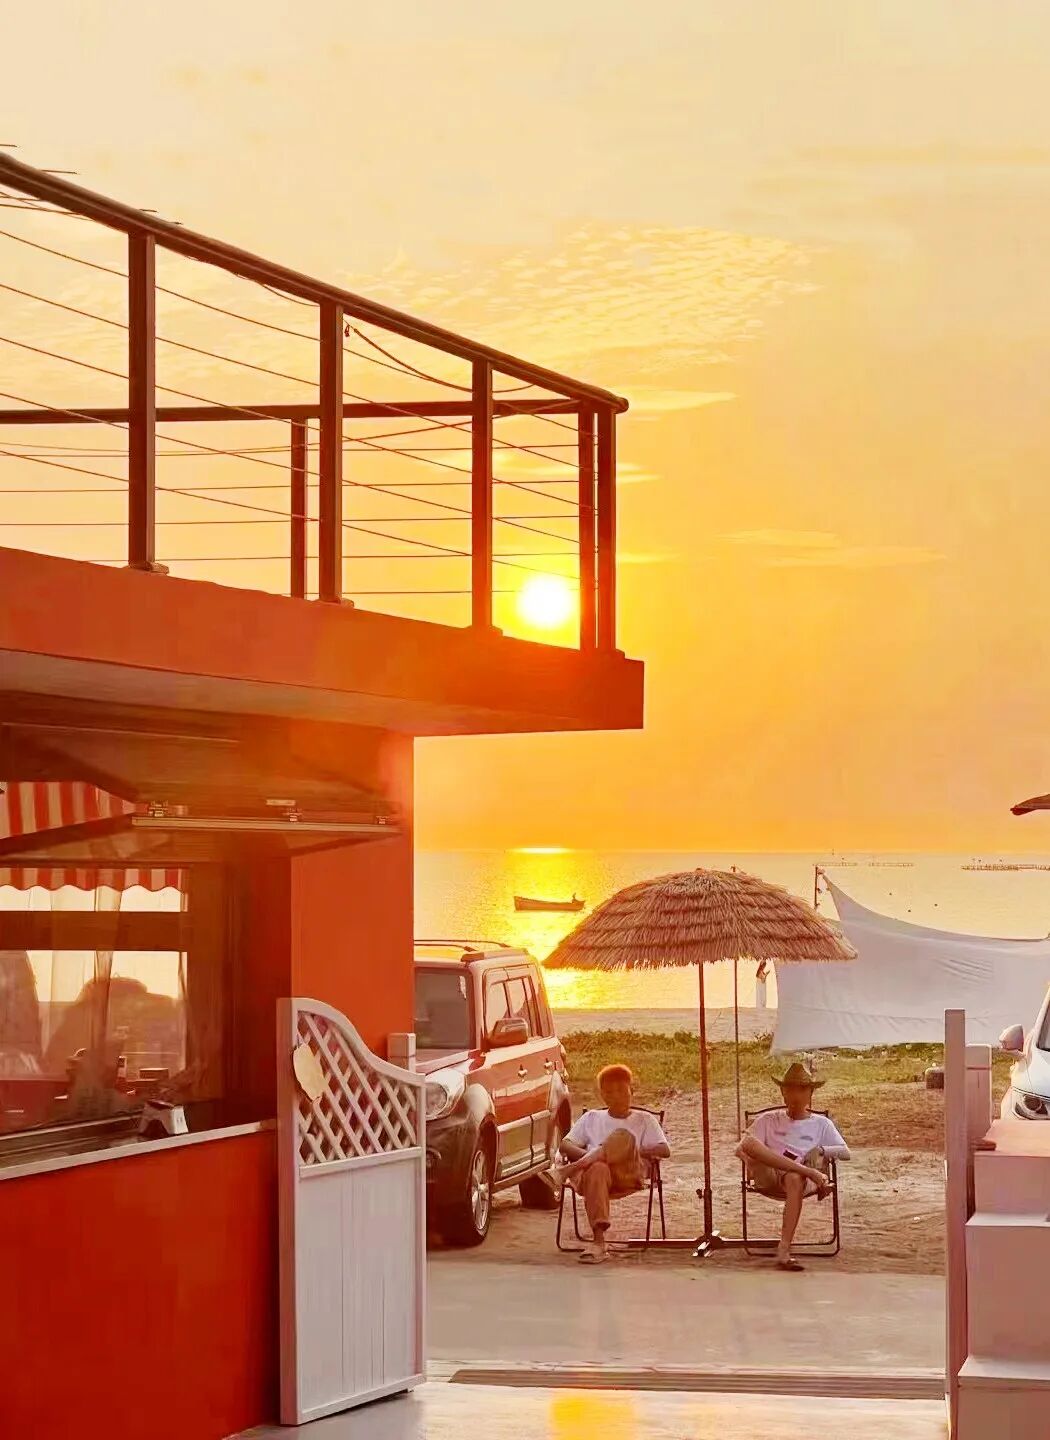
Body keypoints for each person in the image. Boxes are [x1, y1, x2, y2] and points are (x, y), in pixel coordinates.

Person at [736, 1059, 850, 1272]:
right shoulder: (769, 1119)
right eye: (790, 1089)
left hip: (800, 1181)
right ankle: (805, 1171)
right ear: (783, 1093)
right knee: (750, 1143)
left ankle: (784, 1248)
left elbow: (845, 1153)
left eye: (802, 1090)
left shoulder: (821, 1123)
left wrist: (821, 1150)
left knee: (794, 1177)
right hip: (771, 1176)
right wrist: (749, 1160)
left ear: (810, 1094)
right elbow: (743, 1147)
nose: (795, 1095)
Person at [556, 1062, 671, 1264]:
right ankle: (599, 1242)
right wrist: (596, 1156)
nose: (616, 1096)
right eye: (609, 1092)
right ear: (602, 1095)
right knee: (598, 1167)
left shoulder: (644, 1119)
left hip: (628, 1174)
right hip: (595, 1178)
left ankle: (571, 1168)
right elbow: (565, 1144)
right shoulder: (592, 1117)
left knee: (623, 1137)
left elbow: (664, 1150)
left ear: (631, 1090)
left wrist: (628, 1151)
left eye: (621, 1090)